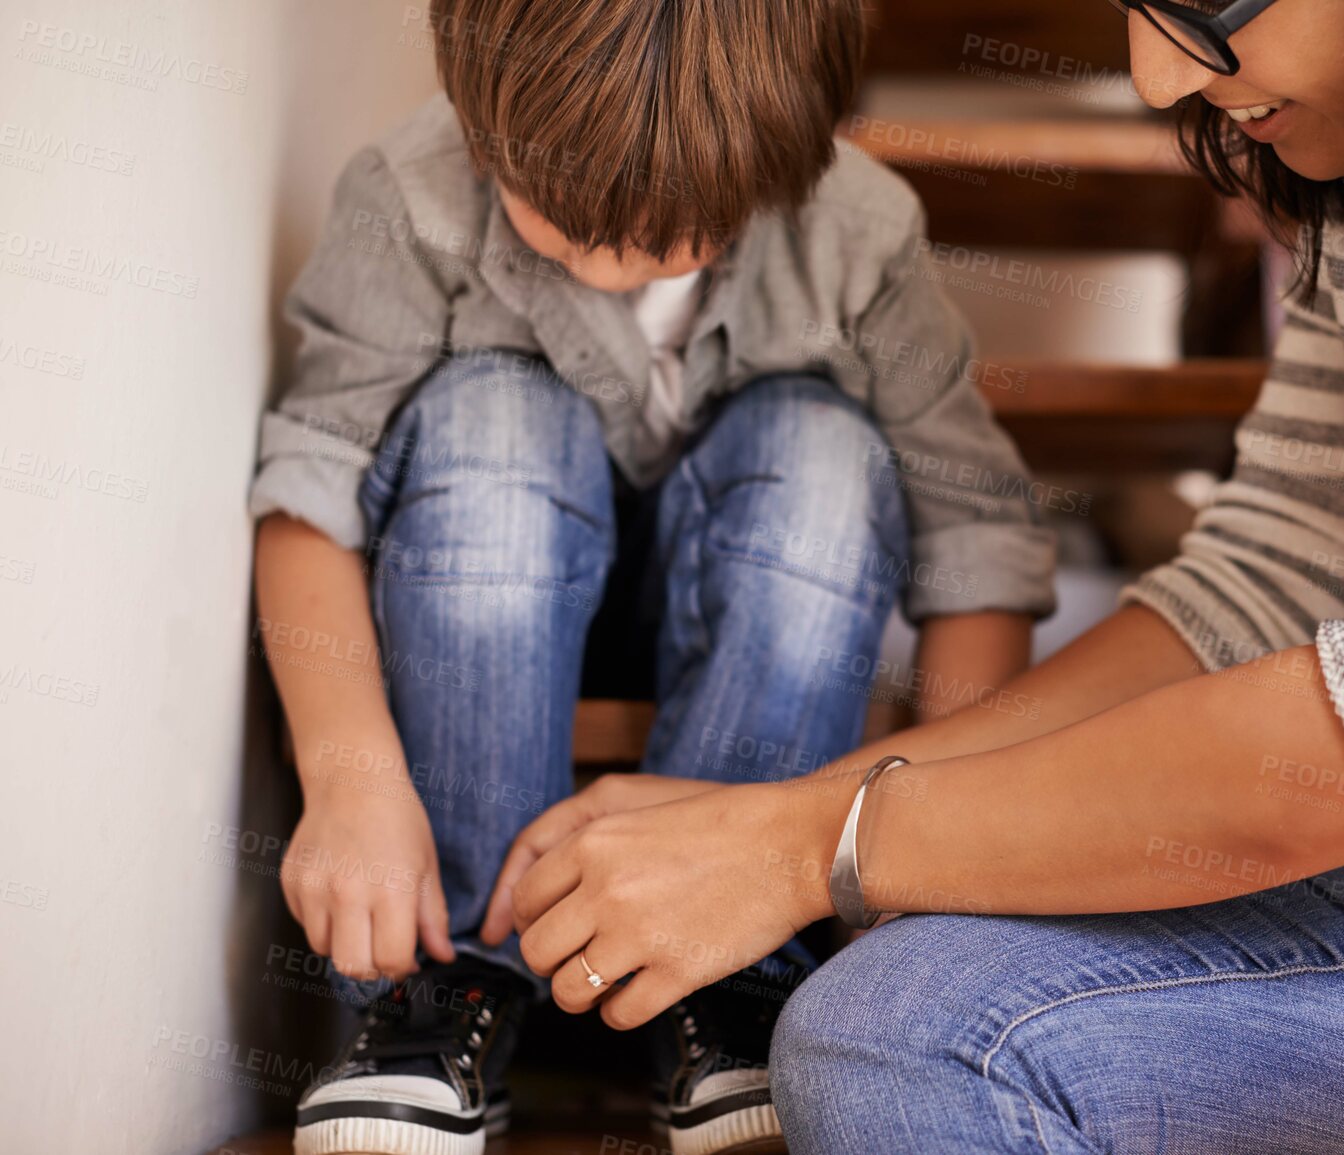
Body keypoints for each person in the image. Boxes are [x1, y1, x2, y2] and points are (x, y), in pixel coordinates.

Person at [494, 0, 1344, 1150]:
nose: (1155, 77)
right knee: (907, 980)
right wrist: (814, 812)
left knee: (909, 1040)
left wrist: (809, 841)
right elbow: (1271, 576)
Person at [247, 0, 1057, 1151]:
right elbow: (308, 495)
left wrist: (920, 844)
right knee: (491, 411)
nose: (602, 263)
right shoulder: (411, 191)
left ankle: (731, 979)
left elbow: (978, 544)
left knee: (824, 445)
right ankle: (449, 990)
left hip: (751, 664)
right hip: (490, 622)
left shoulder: (861, 232)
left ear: (785, 165)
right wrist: (348, 778)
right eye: (554, 221)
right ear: (482, 123)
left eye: (668, 237)